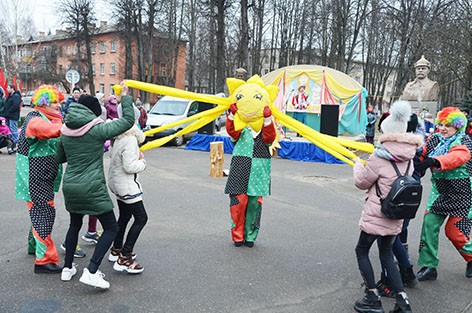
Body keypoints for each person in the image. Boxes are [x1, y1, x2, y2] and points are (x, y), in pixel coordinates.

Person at [56, 82, 135, 288]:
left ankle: (67, 268)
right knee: (111, 227)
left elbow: (60, 157)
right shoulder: (97, 129)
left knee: (75, 224)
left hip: (71, 186)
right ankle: (91, 270)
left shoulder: (65, 131)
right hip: (92, 188)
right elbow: (127, 121)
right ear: (92, 112)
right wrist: (124, 97)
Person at [352, 100, 422, 313]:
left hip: (377, 214)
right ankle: (402, 300)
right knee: (386, 254)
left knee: (362, 250)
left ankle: (372, 297)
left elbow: (362, 182)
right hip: (396, 215)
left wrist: (357, 166)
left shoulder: (378, 157)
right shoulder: (409, 157)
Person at [415, 107, 472, 281]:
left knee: (455, 232)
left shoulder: (464, 141)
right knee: (429, 225)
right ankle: (429, 265)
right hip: (439, 192)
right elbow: (421, 154)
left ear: (457, 126)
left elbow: (458, 157)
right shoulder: (435, 139)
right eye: (441, 124)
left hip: (464, 195)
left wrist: (435, 160)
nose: (443, 128)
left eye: (448, 125)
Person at [15, 85, 65, 274]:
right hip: (35, 178)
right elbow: (50, 131)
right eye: (54, 102)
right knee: (44, 214)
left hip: (42, 177)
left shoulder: (45, 118)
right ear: (43, 102)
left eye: (59, 102)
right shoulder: (36, 121)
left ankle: (33, 246)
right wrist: (75, 127)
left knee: (38, 211)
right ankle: (44, 260)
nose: (58, 106)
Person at [224, 101, 276, 248]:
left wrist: (267, 119)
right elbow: (232, 131)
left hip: (258, 173)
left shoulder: (265, 130)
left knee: (254, 205)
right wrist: (232, 115)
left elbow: (270, 137)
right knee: (237, 204)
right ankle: (238, 236)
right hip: (240, 170)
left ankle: (250, 235)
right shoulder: (242, 129)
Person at [107, 104, 147, 273]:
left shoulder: (117, 136)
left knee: (124, 216)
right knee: (141, 218)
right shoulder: (130, 139)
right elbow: (130, 166)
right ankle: (125, 256)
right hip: (127, 186)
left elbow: (112, 155)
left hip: (117, 183)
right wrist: (142, 162)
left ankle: (116, 249)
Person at [3, 84, 22, 153]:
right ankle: (12, 145)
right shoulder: (10, 96)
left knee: (13, 130)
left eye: (8, 88)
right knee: (9, 130)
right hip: (8, 116)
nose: (7, 89)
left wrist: (9, 111)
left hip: (13, 116)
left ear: (12, 89)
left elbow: (15, 106)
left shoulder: (16, 96)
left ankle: (16, 144)